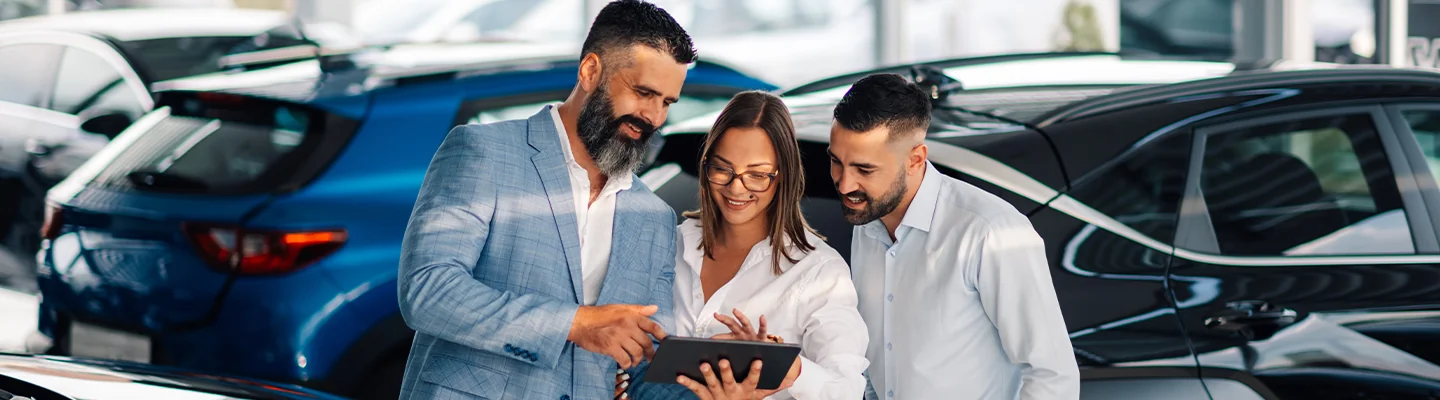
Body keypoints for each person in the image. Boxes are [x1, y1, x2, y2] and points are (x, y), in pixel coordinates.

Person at [394, 1, 697, 399]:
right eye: (643, 92)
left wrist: (713, 379)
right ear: (591, 71)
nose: (654, 117)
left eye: (667, 102)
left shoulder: (655, 216)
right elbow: (428, 291)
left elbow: (641, 361)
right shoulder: (483, 150)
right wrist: (576, 324)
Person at [826, 74, 1080, 400]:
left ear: (915, 159)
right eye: (836, 161)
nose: (845, 184)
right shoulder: (868, 222)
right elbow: (875, 363)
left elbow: (1052, 376)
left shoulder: (990, 231)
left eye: (864, 169)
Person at [665, 91, 869, 400]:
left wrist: (787, 367)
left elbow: (847, 390)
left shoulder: (819, 273)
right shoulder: (671, 244)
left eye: (757, 175)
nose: (736, 187)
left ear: (783, 177)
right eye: (722, 169)